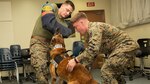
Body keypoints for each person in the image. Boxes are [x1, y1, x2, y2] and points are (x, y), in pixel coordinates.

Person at [66, 12, 139, 84]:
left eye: (76, 27)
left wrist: (75, 60)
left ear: (81, 22)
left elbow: (93, 49)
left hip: (127, 46)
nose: (76, 30)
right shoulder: (87, 35)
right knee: (114, 75)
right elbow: (90, 55)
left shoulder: (94, 28)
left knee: (106, 70)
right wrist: (82, 66)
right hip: (119, 49)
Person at [30, 0, 75, 84]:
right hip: (39, 42)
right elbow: (48, 22)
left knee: (61, 66)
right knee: (41, 69)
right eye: (67, 10)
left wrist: (65, 30)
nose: (67, 13)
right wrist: (64, 30)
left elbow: (69, 32)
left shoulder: (64, 23)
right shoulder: (52, 6)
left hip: (51, 45)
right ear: (61, 6)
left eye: (70, 12)